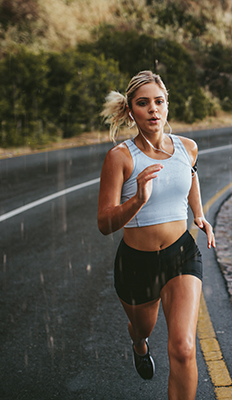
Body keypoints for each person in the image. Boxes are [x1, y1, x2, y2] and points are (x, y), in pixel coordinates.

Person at [97, 70, 215, 400]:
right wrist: (137, 200)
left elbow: (190, 177)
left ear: (167, 106)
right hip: (136, 264)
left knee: (183, 348)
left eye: (159, 102)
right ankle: (138, 343)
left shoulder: (187, 148)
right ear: (131, 110)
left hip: (182, 255)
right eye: (143, 103)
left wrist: (200, 214)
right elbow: (104, 223)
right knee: (142, 327)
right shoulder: (120, 158)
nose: (153, 109)